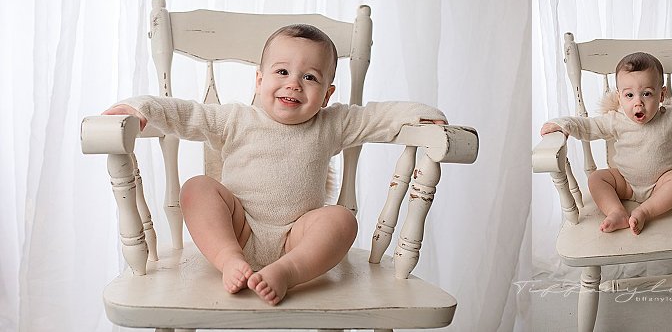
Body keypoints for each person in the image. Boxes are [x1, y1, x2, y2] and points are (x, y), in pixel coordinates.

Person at [103, 24, 446, 304]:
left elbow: (378, 116)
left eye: (310, 77)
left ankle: (287, 272)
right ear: (259, 80)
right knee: (196, 189)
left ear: (327, 94)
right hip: (237, 228)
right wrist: (140, 108)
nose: (293, 83)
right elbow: (185, 113)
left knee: (342, 220)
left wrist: (424, 115)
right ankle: (229, 260)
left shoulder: (333, 123)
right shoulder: (235, 119)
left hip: (297, 239)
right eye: (282, 71)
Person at [540, 51, 672, 235]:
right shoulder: (616, 119)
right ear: (619, 97)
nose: (638, 102)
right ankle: (617, 212)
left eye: (647, 93)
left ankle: (645, 211)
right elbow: (587, 126)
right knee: (597, 178)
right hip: (625, 183)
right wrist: (563, 124)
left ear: (662, 94)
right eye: (629, 95)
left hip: (661, 184)